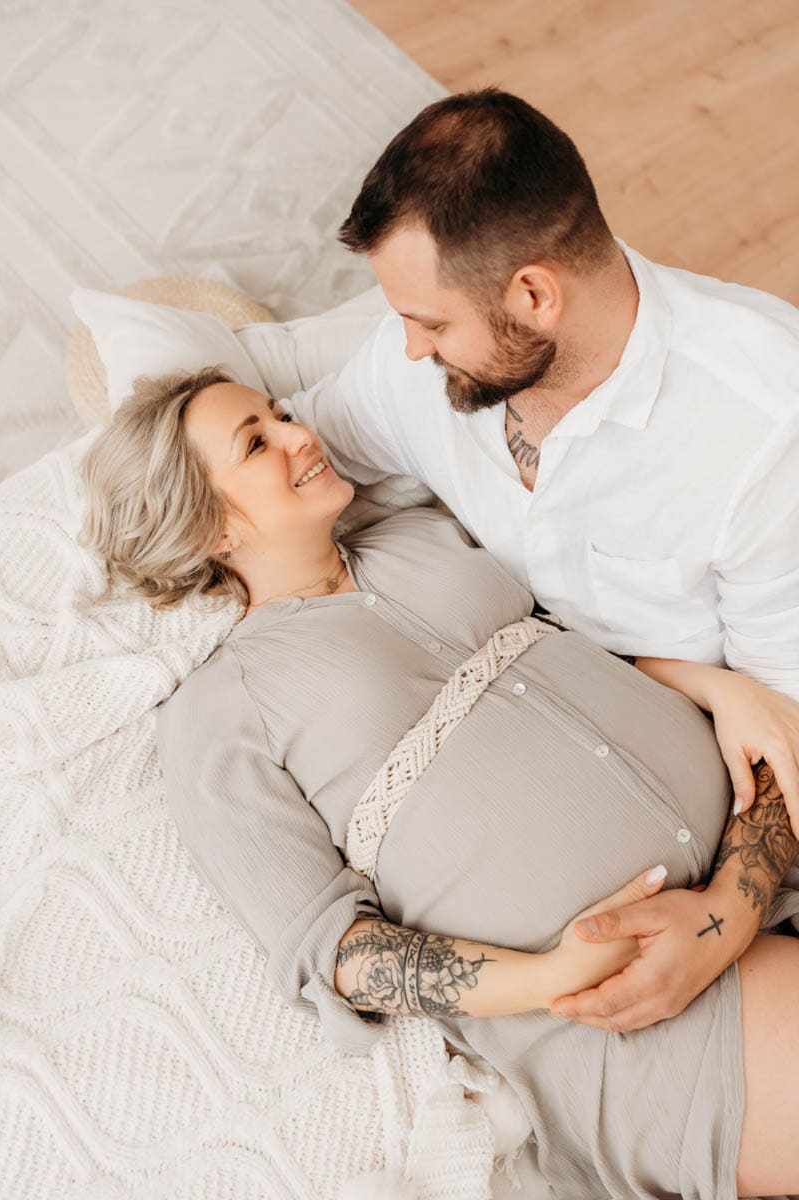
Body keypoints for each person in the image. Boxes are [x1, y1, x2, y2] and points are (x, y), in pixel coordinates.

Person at [80, 368, 799, 1199]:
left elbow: (591, 634)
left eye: (279, 412)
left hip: (757, 855)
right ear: (204, 525)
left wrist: (719, 689)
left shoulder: (422, 532)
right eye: (255, 442)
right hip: (641, 1003)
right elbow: (339, 953)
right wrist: (552, 976)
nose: (297, 432)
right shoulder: (216, 714)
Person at [278, 87, 799, 1033]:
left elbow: (785, 724)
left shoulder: (766, 430)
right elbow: (295, 450)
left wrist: (722, 923)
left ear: (532, 295)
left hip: (725, 825)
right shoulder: (420, 370)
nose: (406, 346)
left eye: (430, 323)